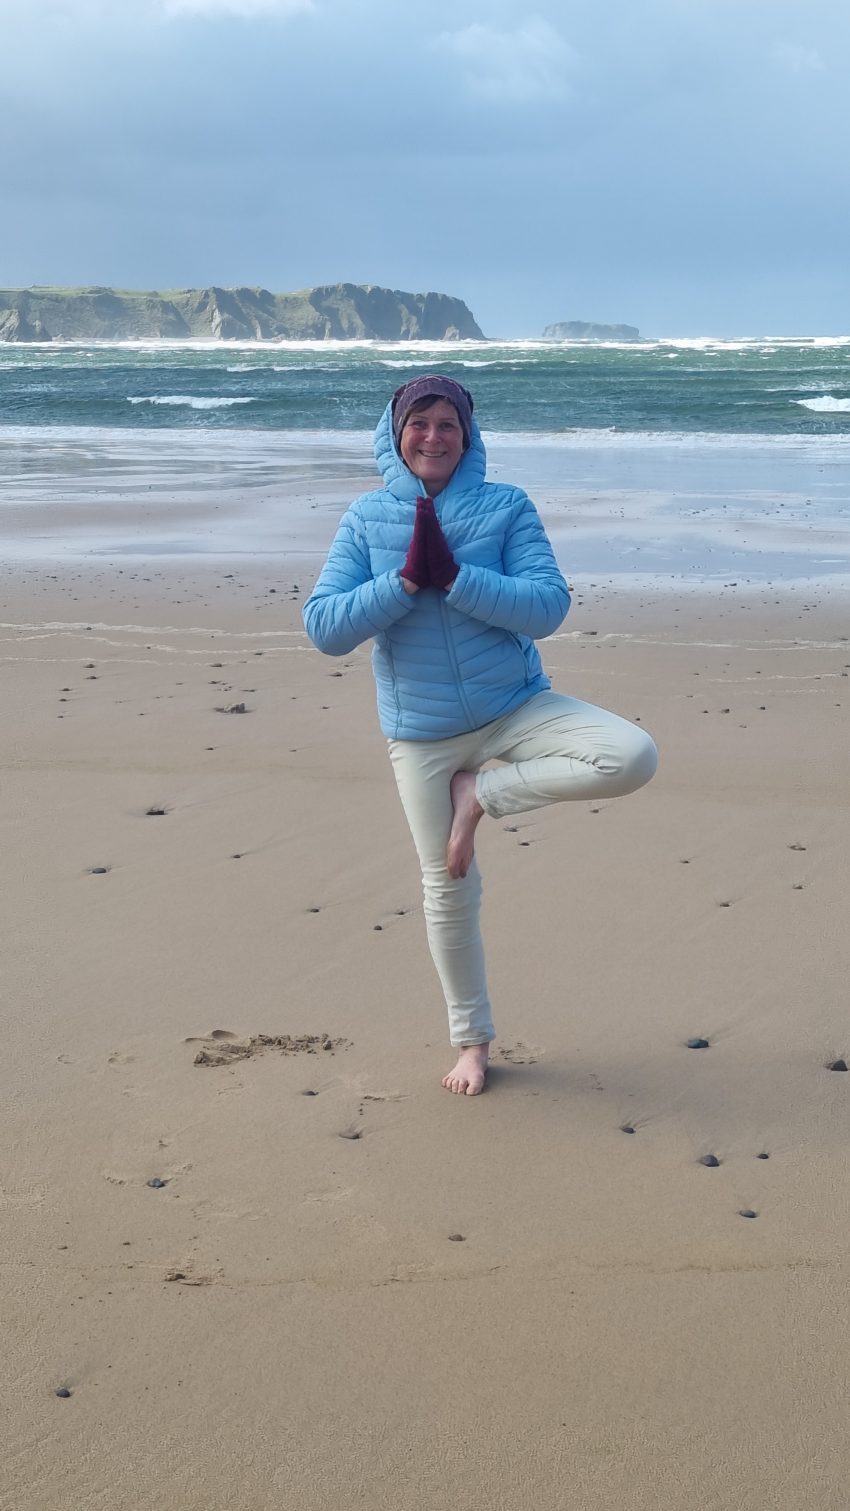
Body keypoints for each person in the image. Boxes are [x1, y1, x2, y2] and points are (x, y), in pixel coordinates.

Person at [303, 375, 657, 1096]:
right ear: (395, 433)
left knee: (632, 754)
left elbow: (548, 605)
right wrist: (402, 585)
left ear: (468, 435)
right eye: (420, 423)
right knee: (448, 887)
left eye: (448, 425)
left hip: (515, 706)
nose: (433, 437)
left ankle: (484, 794)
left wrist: (458, 578)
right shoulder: (368, 518)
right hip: (424, 734)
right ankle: (472, 1043)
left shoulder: (505, 507)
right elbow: (324, 628)